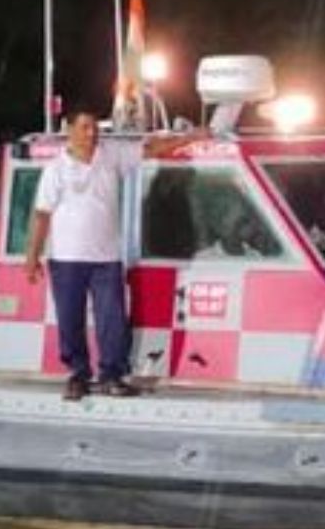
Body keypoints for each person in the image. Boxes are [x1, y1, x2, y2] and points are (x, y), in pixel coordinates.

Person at [25, 108, 205, 400]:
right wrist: (31, 257)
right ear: (69, 130)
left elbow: (150, 148)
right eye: (84, 127)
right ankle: (78, 375)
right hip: (66, 259)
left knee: (113, 319)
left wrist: (189, 137)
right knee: (70, 319)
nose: (91, 133)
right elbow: (41, 215)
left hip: (106, 258)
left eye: (94, 127)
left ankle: (112, 375)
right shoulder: (55, 169)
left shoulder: (110, 154)